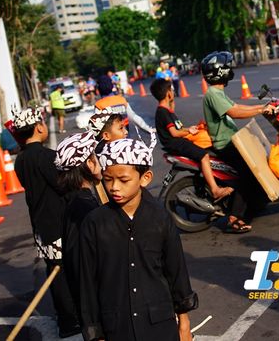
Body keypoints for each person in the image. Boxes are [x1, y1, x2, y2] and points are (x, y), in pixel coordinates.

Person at [79, 138, 198, 341]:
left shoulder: (160, 218)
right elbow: (87, 283)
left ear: (145, 178)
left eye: (123, 180)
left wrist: (184, 323)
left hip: (160, 325)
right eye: (108, 179)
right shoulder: (94, 223)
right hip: (117, 327)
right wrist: (95, 334)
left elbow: (176, 271)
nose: (114, 187)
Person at [8, 106, 80, 337]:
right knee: (66, 273)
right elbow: (64, 187)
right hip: (59, 224)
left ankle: (65, 317)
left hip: (40, 224)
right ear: (39, 127)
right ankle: (71, 320)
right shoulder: (47, 157)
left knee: (55, 270)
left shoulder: (20, 160)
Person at [201, 51, 277, 233]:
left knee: (258, 166)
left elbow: (237, 107)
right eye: (227, 67)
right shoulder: (213, 94)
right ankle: (233, 218)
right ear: (220, 72)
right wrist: (261, 110)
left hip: (232, 141)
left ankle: (256, 202)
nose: (230, 69)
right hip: (225, 144)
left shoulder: (218, 92)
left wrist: (262, 107)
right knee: (248, 174)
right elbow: (234, 113)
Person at [150, 78, 233, 203]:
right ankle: (215, 190)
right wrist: (189, 131)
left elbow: (179, 128)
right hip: (176, 143)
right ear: (168, 93)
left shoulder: (167, 111)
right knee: (204, 156)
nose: (173, 91)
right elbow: (175, 132)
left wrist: (192, 128)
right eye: (171, 89)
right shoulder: (162, 112)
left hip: (178, 141)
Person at [55, 131, 102, 319]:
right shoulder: (85, 206)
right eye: (95, 157)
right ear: (89, 164)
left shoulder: (73, 199)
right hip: (95, 303)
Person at [95, 74, 156, 148]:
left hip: (111, 145)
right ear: (112, 86)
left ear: (99, 89)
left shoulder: (99, 105)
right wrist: (148, 129)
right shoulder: (121, 100)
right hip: (126, 140)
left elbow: (97, 127)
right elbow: (133, 117)